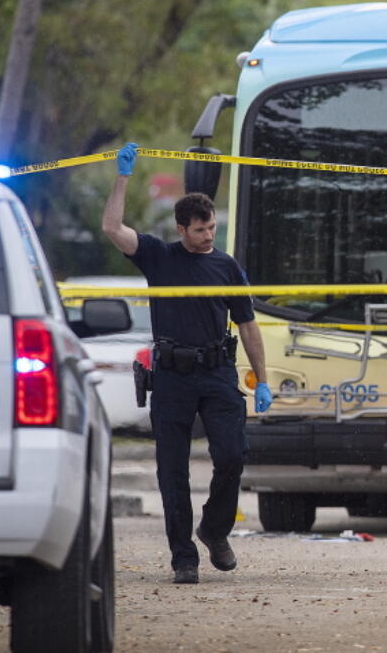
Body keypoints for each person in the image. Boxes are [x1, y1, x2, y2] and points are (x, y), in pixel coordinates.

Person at [102, 142, 271, 585]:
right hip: (173, 377)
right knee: (171, 471)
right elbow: (112, 226)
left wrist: (264, 379)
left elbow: (248, 326)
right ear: (182, 230)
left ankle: (214, 531)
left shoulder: (227, 267)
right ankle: (184, 557)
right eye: (200, 230)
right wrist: (123, 177)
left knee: (233, 456)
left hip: (217, 373)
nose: (209, 235)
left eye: (212, 227)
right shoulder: (159, 257)